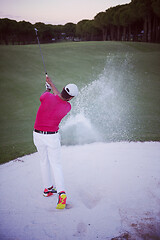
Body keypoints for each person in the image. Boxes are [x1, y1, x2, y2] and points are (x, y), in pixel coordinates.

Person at [33, 75, 78, 209]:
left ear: (63, 88)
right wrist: (51, 84)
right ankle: (62, 194)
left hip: (37, 135)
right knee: (56, 165)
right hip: (52, 137)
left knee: (43, 161)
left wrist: (48, 88)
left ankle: (47, 189)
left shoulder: (46, 97)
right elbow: (60, 98)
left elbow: (51, 96)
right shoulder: (67, 107)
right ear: (71, 98)